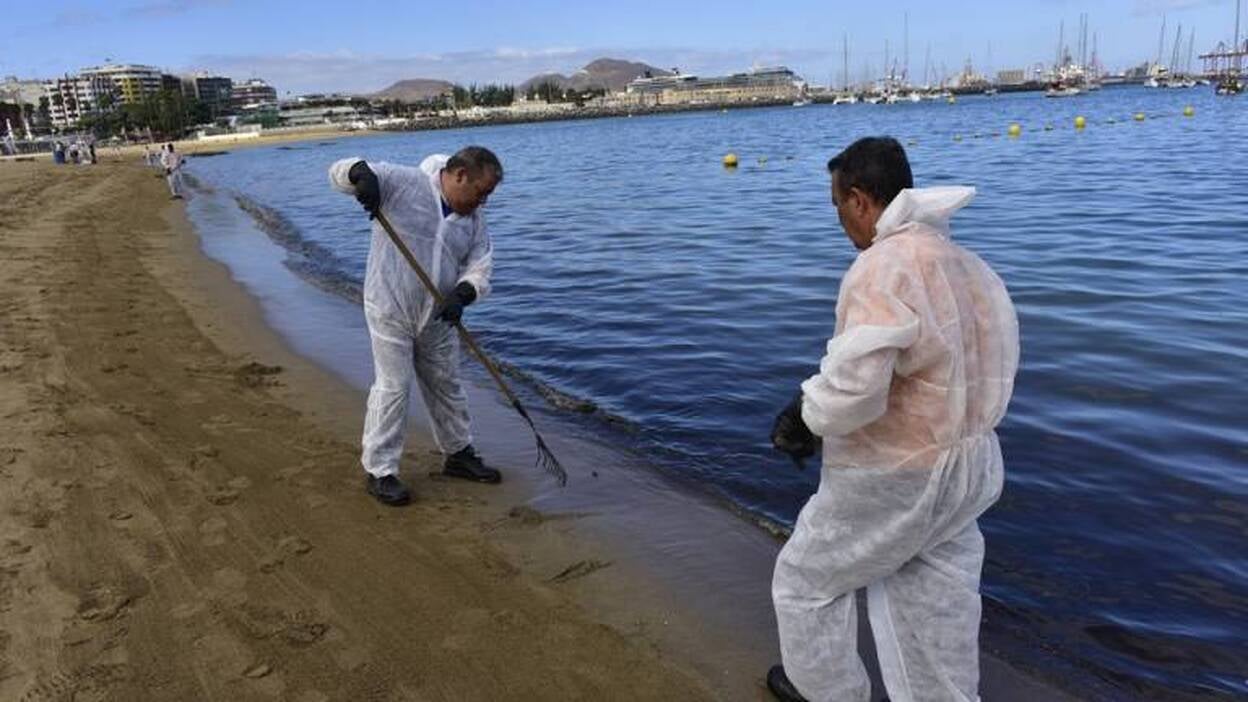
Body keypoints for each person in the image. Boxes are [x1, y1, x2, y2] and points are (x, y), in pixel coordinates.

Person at [767, 137, 1019, 702]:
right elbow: (994, 364)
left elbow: (857, 385)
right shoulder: (967, 265)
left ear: (859, 199)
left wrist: (807, 415)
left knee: (807, 581)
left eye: (838, 207)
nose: (840, 223)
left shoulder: (881, 267)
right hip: (971, 465)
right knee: (936, 601)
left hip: (897, 472)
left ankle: (825, 692)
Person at [329, 146, 503, 506]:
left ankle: (458, 454)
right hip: (389, 306)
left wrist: (464, 293)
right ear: (459, 176)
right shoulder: (404, 183)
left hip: (438, 314)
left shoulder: (473, 219)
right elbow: (340, 171)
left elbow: (480, 264)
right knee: (394, 387)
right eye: (481, 192)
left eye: (488, 195)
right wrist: (361, 176)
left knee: (446, 384)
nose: (483, 202)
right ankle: (380, 471)